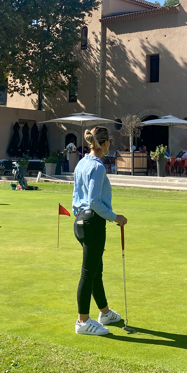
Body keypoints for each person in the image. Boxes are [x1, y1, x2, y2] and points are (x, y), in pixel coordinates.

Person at [72, 126, 127, 336]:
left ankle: (104, 312)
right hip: (93, 223)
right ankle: (83, 321)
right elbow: (94, 201)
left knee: (95, 271)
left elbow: (78, 197)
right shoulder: (97, 167)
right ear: (105, 143)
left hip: (80, 221)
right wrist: (115, 217)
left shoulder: (81, 163)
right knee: (88, 273)